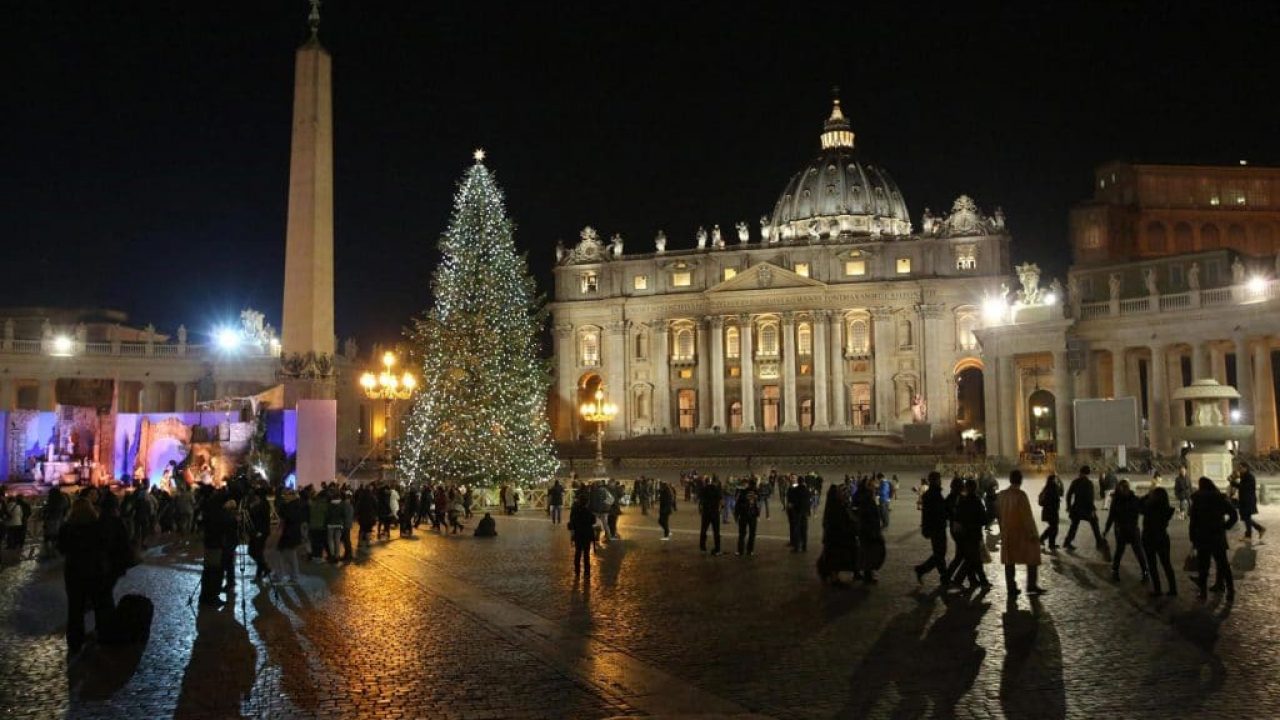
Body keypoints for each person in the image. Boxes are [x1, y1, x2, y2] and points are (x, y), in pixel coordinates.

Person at [58, 498, 112, 657]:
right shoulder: (98, 527)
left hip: (74, 571)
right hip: (96, 570)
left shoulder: (67, 528)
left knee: (75, 608)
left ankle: (75, 641)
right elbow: (105, 545)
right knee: (99, 605)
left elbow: (61, 549)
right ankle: (103, 636)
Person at [995, 470, 1045, 597]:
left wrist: (1002, 530)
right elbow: (1027, 516)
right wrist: (1033, 533)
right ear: (1020, 480)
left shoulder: (1002, 495)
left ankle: (1011, 587)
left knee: (1009, 560)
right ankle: (1031, 585)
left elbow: (998, 515)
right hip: (1021, 533)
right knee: (1032, 557)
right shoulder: (1021, 495)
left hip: (1007, 532)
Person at [1189, 477, 1237, 600]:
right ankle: (1230, 591)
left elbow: (1193, 521)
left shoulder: (1197, 499)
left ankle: (1203, 593)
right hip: (1217, 535)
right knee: (1223, 564)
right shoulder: (1219, 498)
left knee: (1203, 566)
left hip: (1202, 536)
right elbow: (1234, 514)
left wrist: (1193, 538)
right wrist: (1225, 526)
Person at [1103, 479, 1149, 581]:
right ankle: (1144, 571)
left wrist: (1106, 530)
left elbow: (1111, 517)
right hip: (1129, 529)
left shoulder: (1118, 501)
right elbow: (1142, 510)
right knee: (1134, 552)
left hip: (1124, 530)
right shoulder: (1132, 499)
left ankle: (1116, 571)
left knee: (1123, 552)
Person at [953, 478, 990, 590]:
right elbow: (984, 519)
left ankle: (979, 581)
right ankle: (959, 580)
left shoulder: (962, 501)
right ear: (975, 488)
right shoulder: (977, 501)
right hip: (975, 534)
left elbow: (957, 517)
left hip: (965, 534)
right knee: (973, 559)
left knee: (974, 559)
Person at [913, 472, 949, 585]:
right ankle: (943, 576)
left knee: (939, 553)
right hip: (936, 528)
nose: (941, 481)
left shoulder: (932, 493)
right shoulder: (933, 494)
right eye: (939, 479)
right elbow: (934, 512)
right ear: (935, 480)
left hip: (936, 527)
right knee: (940, 553)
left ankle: (941, 575)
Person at [1141, 486, 1177, 597]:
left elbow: (1139, 505)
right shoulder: (1166, 509)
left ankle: (1157, 589)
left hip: (1149, 538)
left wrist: (1147, 495)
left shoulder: (1149, 508)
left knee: (1152, 565)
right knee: (1166, 564)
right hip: (1162, 537)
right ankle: (1173, 589)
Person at [818, 483, 858, 584]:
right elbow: (840, 521)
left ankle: (829, 574)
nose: (841, 494)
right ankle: (833, 576)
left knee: (832, 556)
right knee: (834, 557)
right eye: (839, 492)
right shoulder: (836, 507)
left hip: (834, 537)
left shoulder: (834, 505)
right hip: (836, 537)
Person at [1063, 466, 1104, 551]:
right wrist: (1092, 509)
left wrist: (1069, 506)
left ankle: (1067, 542)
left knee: (1074, 526)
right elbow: (1090, 498)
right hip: (1086, 509)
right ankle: (1099, 542)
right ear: (1088, 473)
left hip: (1076, 508)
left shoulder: (1075, 482)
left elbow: (1069, 495)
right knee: (1095, 524)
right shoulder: (1088, 483)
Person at [855, 477, 886, 583]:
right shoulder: (867, 499)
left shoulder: (866, 498)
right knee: (869, 553)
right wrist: (874, 529)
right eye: (873, 486)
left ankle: (865, 574)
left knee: (869, 553)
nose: (875, 488)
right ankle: (867, 576)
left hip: (867, 530)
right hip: (869, 531)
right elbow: (869, 516)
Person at [1230, 463, 1266, 541]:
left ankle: (1249, 535)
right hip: (1244, 500)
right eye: (1238, 468)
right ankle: (1259, 529)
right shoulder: (1244, 476)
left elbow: (1244, 487)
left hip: (1248, 501)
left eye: (1240, 468)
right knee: (1246, 518)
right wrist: (1233, 480)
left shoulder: (1249, 477)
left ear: (1245, 468)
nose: (1239, 469)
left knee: (1246, 518)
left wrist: (1233, 482)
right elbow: (1239, 487)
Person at [567, 496, 595, 578]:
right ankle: (587, 572)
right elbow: (593, 521)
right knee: (586, 554)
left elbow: (571, 523)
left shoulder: (575, 511)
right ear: (587, 502)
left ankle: (577, 571)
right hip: (587, 534)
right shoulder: (588, 511)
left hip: (578, 534)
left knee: (578, 553)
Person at [734, 479, 761, 556]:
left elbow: (738, 504)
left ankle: (741, 551)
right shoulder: (752, 492)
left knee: (743, 534)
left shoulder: (744, 492)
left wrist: (736, 515)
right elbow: (758, 505)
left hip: (746, 515)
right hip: (749, 515)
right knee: (750, 534)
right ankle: (749, 550)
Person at [1038, 474, 1063, 551]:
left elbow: (1060, 493)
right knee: (1054, 528)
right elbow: (1061, 493)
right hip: (1052, 511)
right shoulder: (1053, 488)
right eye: (1055, 479)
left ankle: (1048, 543)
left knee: (1053, 528)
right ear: (1053, 480)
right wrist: (1060, 483)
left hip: (1048, 511)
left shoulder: (1047, 487)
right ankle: (1043, 540)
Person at [786, 476, 810, 553]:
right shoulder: (807, 490)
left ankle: (796, 547)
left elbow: (792, 502)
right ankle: (804, 546)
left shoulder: (795, 490)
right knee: (804, 529)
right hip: (804, 512)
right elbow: (809, 502)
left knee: (797, 529)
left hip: (797, 512)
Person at [699, 478, 723, 555]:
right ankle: (717, 549)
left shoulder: (704, 489)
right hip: (715, 513)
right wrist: (720, 509)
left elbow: (700, 501)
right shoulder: (717, 489)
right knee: (716, 532)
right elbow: (722, 502)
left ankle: (703, 548)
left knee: (703, 530)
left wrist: (701, 510)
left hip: (706, 513)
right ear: (715, 482)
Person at [42, 488, 67, 556]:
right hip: (59, 521)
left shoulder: (50, 500)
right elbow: (65, 509)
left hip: (50, 521)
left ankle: (49, 552)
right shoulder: (63, 500)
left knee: (48, 537)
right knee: (56, 537)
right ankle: (55, 551)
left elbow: (45, 511)